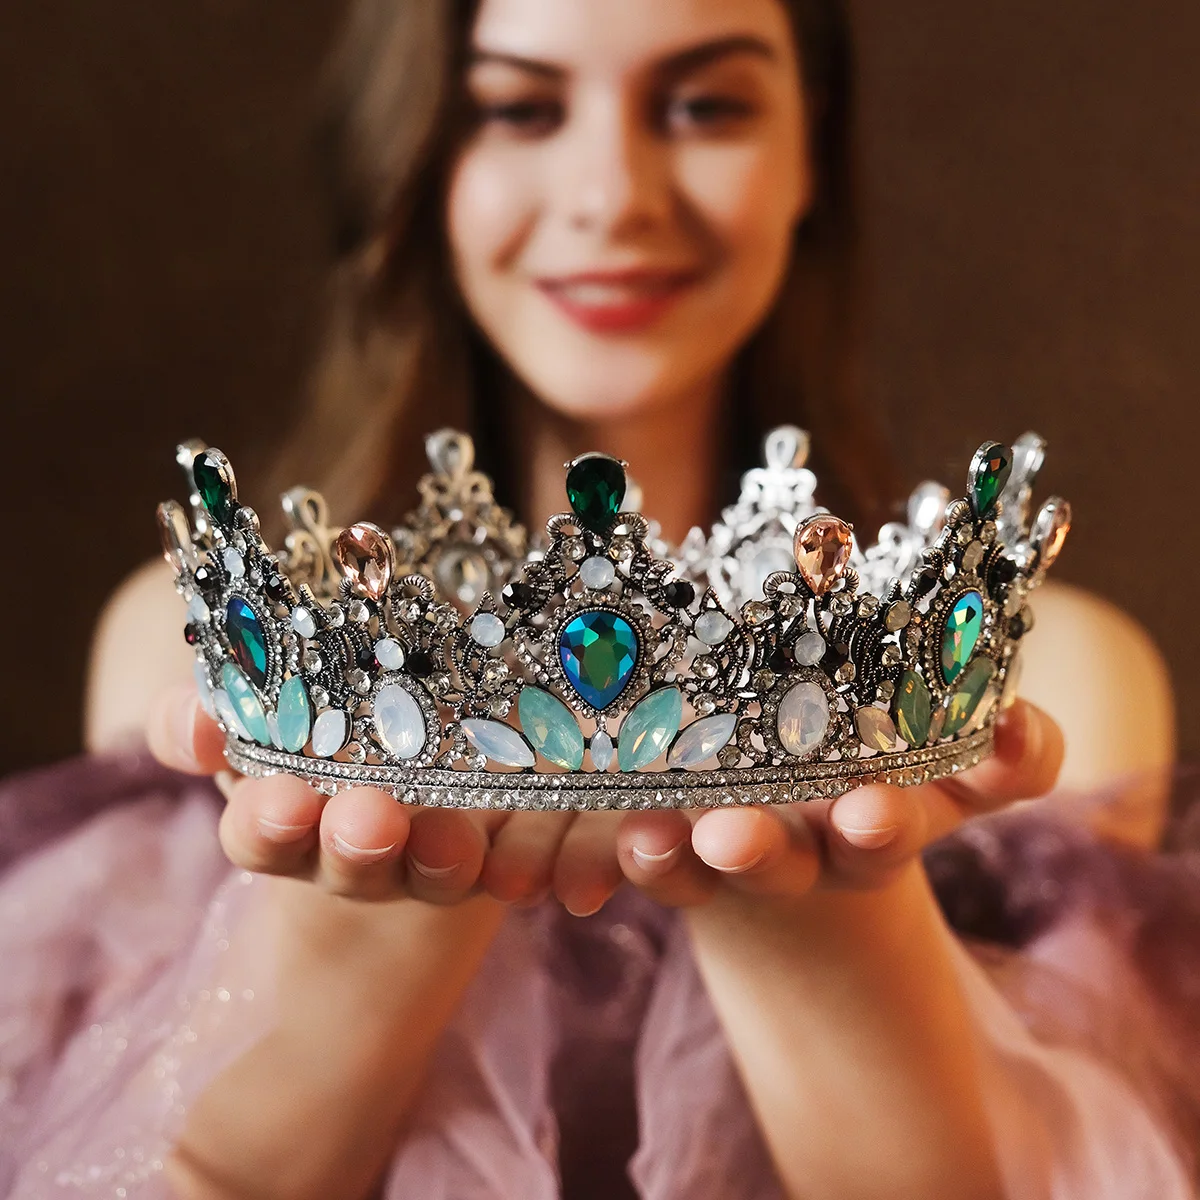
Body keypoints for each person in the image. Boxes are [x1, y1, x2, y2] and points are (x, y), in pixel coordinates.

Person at [1, 0, 1193, 1197]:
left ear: (810, 152)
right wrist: (350, 951)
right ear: (415, 154)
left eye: (705, 106)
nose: (612, 196)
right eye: (520, 108)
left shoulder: (1064, 680)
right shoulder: (170, 648)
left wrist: (832, 927)